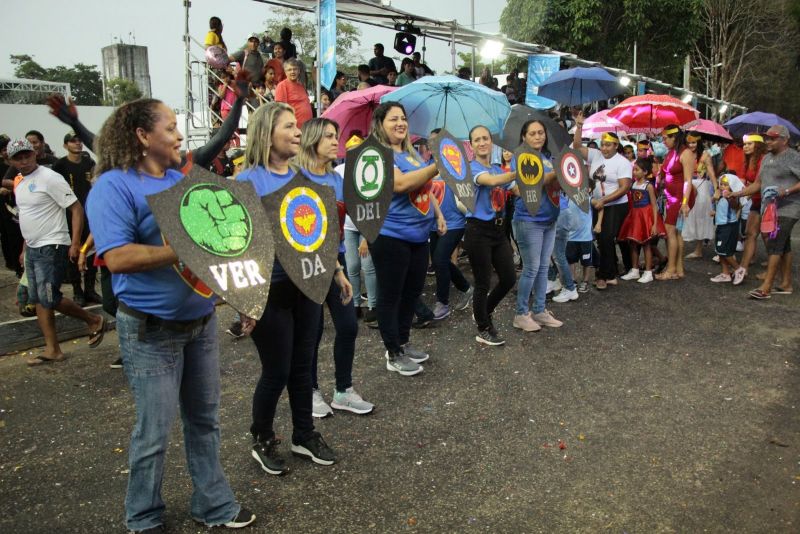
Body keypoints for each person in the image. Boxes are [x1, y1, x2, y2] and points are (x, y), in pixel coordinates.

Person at [85, 99, 254, 531]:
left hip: (200, 324)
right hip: (150, 331)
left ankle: (213, 505)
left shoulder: (186, 181)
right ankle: (143, 516)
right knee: (153, 434)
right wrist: (183, 248)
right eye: (172, 128)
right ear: (142, 136)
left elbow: (224, 248)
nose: (180, 137)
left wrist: (244, 299)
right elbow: (118, 257)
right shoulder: (113, 187)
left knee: (205, 422)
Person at [236, 102, 343, 473]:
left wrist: (338, 271)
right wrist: (243, 302)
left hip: (310, 284)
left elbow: (319, 235)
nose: (298, 133)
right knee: (276, 370)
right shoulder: (245, 182)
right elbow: (238, 247)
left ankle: (304, 434)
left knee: (303, 367)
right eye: (289, 127)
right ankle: (262, 437)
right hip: (270, 293)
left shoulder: (306, 178)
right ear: (266, 134)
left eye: (298, 127)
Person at [296, 118, 373, 417]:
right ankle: (310, 391)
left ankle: (343, 390)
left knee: (348, 326)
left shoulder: (336, 180)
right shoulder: (296, 178)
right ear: (312, 140)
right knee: (311, 333)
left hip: (335, 263)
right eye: (328, 136)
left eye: (335, 136)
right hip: (308, 267)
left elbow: (357, 211)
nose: (334, 141)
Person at [7, 138, 106, 365]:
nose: (24, 161)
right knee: (39, 299)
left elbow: (76, 208)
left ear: (35, 154)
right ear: (10, 160)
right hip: (33, 247)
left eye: (27, 155)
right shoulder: (19, 181)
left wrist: (74, 243)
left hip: (52, 245)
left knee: (49, 297)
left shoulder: (50, 178)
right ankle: (53, 349)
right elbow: (26, 217)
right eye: (18, 158)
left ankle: (93, 319)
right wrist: (24, 248)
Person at [368, 102, 443, 376]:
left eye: (402, 119)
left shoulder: (412, 154)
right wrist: (437, 165)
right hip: (390, 235)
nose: (400, 123)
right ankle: (393, 352)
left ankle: (403, 340)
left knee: (412, 293)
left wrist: (437, 214)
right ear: (380, 124)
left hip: (418, 235)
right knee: (391, 296)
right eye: (393, 119)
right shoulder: (379, 154)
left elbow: (424, 187)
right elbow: (401, 185)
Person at [732, 125, 800, 299]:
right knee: (783, 246)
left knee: (775, 242)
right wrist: (737, 193)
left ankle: (766, 287)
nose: (768, 141)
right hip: (769, 208)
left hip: (788, 207)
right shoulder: (767, 158)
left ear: (785, 140)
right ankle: (786, 283)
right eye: (767, 138)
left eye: (773, 138)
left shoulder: (793, 157)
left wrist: (785, 192)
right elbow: (757, 184)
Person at [465, 125, 517, 345]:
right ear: (472, 145)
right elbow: (493, 182)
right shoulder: (472, 169)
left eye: (485, 138)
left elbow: (518, 190)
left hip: (498, 229)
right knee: (483, 282)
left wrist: (545, 177)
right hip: (478, 230)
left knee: (508, 278)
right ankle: (483, 328)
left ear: (491, 141)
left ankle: (483, 311)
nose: (482, 142)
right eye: (477, 140)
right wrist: (521, 171)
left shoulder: (498, 169)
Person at [512, 120, 563, 332]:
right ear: (524, 137)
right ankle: (521, 313)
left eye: (540, 133)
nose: (537, 137)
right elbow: (520, 186)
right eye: (532, 133)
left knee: (543, 268)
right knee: (531, 269)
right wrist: (552, 175)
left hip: (549, 219)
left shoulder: (549, 157)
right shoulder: (519, 157)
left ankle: (540, 310)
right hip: (528, 220)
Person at [573, 114, 633, 289]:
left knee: (607, 237)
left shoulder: (622, 162)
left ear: (616, 145)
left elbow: (625, 187)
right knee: (599, 238)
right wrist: (579, 127)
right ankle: (611, 270)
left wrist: (604, 200)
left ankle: (604, 275)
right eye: (602, 144)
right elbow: (577, 147)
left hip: (615, 205)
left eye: (608, 145)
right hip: (597, 204)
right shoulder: (596, 155)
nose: (604, 148)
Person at [52, 131, 99, 306]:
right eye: (72, 141)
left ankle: (90, 290)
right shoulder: (60, 166)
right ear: (65, 145)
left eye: (79, 141)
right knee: (73, 252)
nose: (77, 144)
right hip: (69, 216)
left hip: (89, 214)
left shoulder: (89, 163)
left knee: (91, 252)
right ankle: (77, 291)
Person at [655, 124, 695, 281]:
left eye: (666, 138)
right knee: (676, 233)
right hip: (671, 197)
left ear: (674, 137)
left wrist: (684, 202)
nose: (663, 141)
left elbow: (688, 180)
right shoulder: (671, 152)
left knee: (670, 232)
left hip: (680, 197)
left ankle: (671, 269)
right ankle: (678, 269)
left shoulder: (686, 153)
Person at [618, 157, 666, 284]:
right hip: (635, 216)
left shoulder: (648, 186)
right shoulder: (633, 184)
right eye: (634, 170)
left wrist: (655, 224)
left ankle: (648, 272)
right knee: (633, 244)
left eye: (637, 170)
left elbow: (654, 205)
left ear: (645, 172)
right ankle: (634, 269)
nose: (634, 172)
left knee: (647, 244)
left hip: (646, 217)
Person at [732, 133, 767, 285]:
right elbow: (749, 183)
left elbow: (757, 184)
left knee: (768, 237)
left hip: (768, 202)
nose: (745, 146)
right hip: (757, 200)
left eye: (750, 144)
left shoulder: (763, 160)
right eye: (745, 144)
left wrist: (738, 193)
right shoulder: (749, 160)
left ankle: (775, 268)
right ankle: (743, 267)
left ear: (758, 146)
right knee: (750, 233)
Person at [683, 132, 719, 260]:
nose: (691, 145)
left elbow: (712, 174)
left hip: (701, 188)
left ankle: (698, 249)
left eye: (693, 142)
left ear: (698, 143)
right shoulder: (685, 154)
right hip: (687, 187)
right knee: (686, 216)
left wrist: (716, 189)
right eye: (689, 143)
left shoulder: (705, 156)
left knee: (700, 217)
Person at [709, 174, 743, 283]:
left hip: (729, 226)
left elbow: (736, 206)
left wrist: (729, 196)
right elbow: (717, 205)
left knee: (726, 251)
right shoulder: (720, 196)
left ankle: (739, 269)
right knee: (720, 251)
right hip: (721, 225)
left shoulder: (732, 197)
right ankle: (725, 274)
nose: (723, 186)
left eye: (726, 185)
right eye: (721, 184)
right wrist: (715, 209)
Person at [275, 58, 312, 128]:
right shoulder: (282, 86)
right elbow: (280, 109)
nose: (292, 72)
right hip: (294, 129)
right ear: (285, 72)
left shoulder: (301, 86)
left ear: (299, 71)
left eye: (295, 69)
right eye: (289, 70)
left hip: (307, 127)